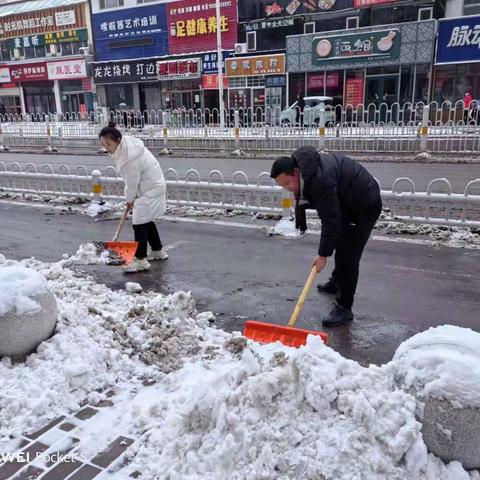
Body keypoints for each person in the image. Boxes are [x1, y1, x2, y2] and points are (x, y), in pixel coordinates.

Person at [270, 146, 382, 327]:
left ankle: (344, 308)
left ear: (296, 172)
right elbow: (331, 218)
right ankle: (337, 282)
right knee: (339, 239)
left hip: (363, 204)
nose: (288, 189)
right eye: (282, 186)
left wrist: (322, 255)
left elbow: (330, 220)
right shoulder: (307, 170)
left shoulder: (319, 180)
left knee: (348, 255)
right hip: (346, 202)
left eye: (287, 183)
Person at [99, 122, 168, 273]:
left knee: (139, 222)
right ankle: (157, 250)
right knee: (146, 219)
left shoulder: (128, 159)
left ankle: (140, 259)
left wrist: (129, 200)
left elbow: (131, 183)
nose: (106, 148)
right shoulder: (126, 147)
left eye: (108, 144)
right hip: (151, 185)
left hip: (150, 188)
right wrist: (131, 198)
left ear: (118, 140)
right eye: (103, 144)